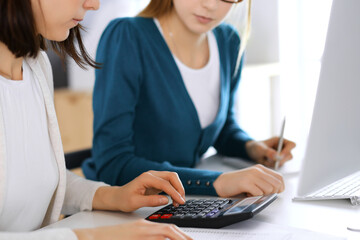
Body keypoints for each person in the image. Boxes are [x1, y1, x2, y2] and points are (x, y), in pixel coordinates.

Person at [0, 0, 193, 239]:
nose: (94, 4)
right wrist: (91, 237)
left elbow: (38, 180)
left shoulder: (36, 67)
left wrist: (113, 196)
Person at [82, 0, 296, 198]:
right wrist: (215, 182)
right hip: (121, 208)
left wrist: (251, 147)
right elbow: (112, 163)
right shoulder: (127, 36)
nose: (210, 5)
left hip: (182, 202)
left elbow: (222, 129)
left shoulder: (228, 42)